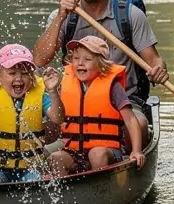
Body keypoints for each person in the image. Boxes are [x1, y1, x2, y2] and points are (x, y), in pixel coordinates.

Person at [33, 0, 168, 142]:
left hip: (125, 101)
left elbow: (154, 60)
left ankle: (124, 160)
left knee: (138, 126)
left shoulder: (130, 15)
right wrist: (61, 16)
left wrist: (159, 70)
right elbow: (39, 59)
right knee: (37, 128)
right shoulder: (62, 17)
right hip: (73, 102)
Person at [0, 44, 63, 184]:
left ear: (32, 76)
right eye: (12, 73)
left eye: (25, 73)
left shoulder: (40, 95)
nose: (19, 78)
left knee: (36, 183)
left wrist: (53, 92)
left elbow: (58, 118)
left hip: (30, 167)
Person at [49, 36, 145, 176]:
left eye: (87, 59)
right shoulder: (65, 84)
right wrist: (52, 90)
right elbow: (57, 115)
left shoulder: (113, 87)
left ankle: (100, 193)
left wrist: (136, 150)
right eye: (76, 58)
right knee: (55, 158)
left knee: (97, 153)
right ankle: (65, 196)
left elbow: (130, 120)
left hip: (107, 152)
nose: (80, 63)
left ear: (101, 64)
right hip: (76, 152)